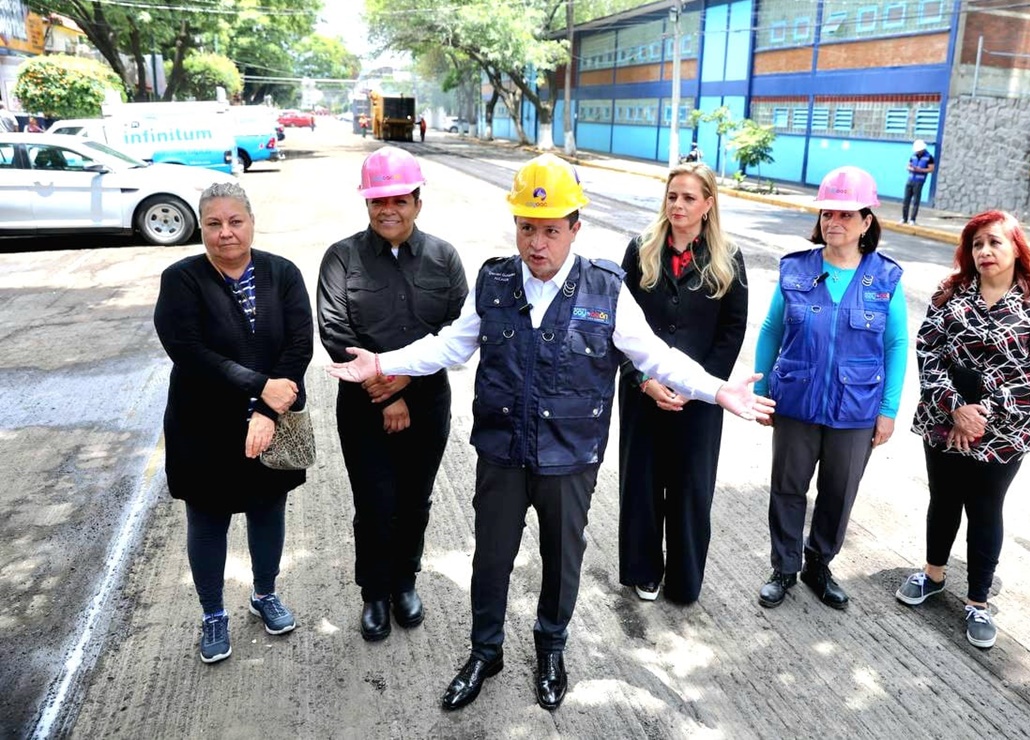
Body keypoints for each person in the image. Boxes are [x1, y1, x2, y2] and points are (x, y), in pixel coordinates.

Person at [327, 153, 774, 713]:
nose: (537, 244)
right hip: (503, 451)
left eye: (550, 231)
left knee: (562, 561)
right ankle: (485, 652)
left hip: (570, 455)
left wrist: (717, 389)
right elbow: (450, 344)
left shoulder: (607, 289)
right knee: (490, 559)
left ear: (575, 229)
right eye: (527, 228)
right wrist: (382, 362)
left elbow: (655, 355)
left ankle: (551, 648)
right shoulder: (492, 281)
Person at [153, 182, 314, 664]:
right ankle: (212, 614)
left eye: (234, 221)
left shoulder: (282, 273)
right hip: (203, 427)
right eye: (214, 224)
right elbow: (189, 351)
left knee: (268, 510)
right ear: (202, 227)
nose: (226, 233)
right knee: (207, 520)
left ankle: (264, 593)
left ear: (250, 221)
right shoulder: (181, 278)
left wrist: (267, 410)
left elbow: (299, 345)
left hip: (272, 422)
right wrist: (259, 386)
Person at [317, 148, 468, 642]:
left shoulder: (443, 258)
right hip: (362, 406)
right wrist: (385, 395)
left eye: (399, 200)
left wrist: (405, 380)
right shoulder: (342, 258)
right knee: (375, 501)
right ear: (366, 204)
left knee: (415, 499)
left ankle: (405, 581)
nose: (389, 210)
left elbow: (459, 330)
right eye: (378, 200)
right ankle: (374, 593)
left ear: (417, 203)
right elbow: (335, 332)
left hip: (427, 402)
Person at [897, 210, 1030, 650]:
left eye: (994, 242)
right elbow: (928, 350)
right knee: (945, 498)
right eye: (976, 244)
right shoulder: (950, 293)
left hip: (1008, 427)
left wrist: (981, 412)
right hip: (944, 418)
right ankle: (933, 575)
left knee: (986, 507)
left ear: (1015, 248)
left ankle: (977, 601)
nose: (985, 252)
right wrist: (955, 408)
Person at [754, 165, 908, 612]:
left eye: (844, 215)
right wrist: (761, 392)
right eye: (826, 214)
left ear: (866, 222)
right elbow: (770, 331)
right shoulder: (796, 270)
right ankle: (784, 566)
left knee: (839, 492)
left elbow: (896, 344)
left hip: (856, 406)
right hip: (796, 400)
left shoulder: (885, 279)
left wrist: (889, 409)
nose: (832, 223)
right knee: (787, 487)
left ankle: (818, 564)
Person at [616, 162, 748, 605]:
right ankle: (644, 571)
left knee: (691, 489)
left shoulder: (728, 259)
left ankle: (684, 580)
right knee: (643, 484)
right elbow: (617, 323)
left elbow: (732, 330)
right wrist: (643, 380)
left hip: (701, 398)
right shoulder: (640, 250)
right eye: (673, 196)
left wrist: (701, 386)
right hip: (644, 393)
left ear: (708, 205)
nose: (678, 205)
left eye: (689, 197)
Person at [901, 139, 935, 225]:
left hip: (919, 181)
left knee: (916, 201)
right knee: (906, 200)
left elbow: (931, 169)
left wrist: (921, 170)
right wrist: (911, 168)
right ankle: (904, 218)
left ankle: (912, 219)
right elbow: (908, 165)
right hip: (910, 179)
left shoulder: (929, 157)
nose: (918, 152)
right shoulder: (913, 156)